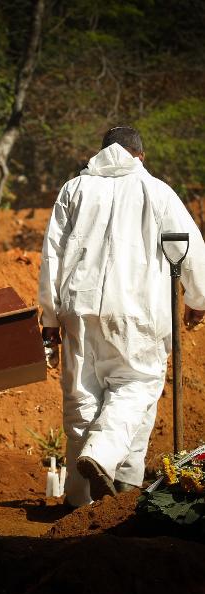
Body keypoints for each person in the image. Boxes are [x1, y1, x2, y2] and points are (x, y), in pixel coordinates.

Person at [38, 126, 205, 508]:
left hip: (78, 310)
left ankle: (86, 505)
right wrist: (198, 297)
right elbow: (190, 248)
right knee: (137, 388)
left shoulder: (74, 190)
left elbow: (52, 257)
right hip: (137, 313)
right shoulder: (158, 192)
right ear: (139, 156)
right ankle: (104, 460)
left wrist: (49, 318)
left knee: (84, 401)